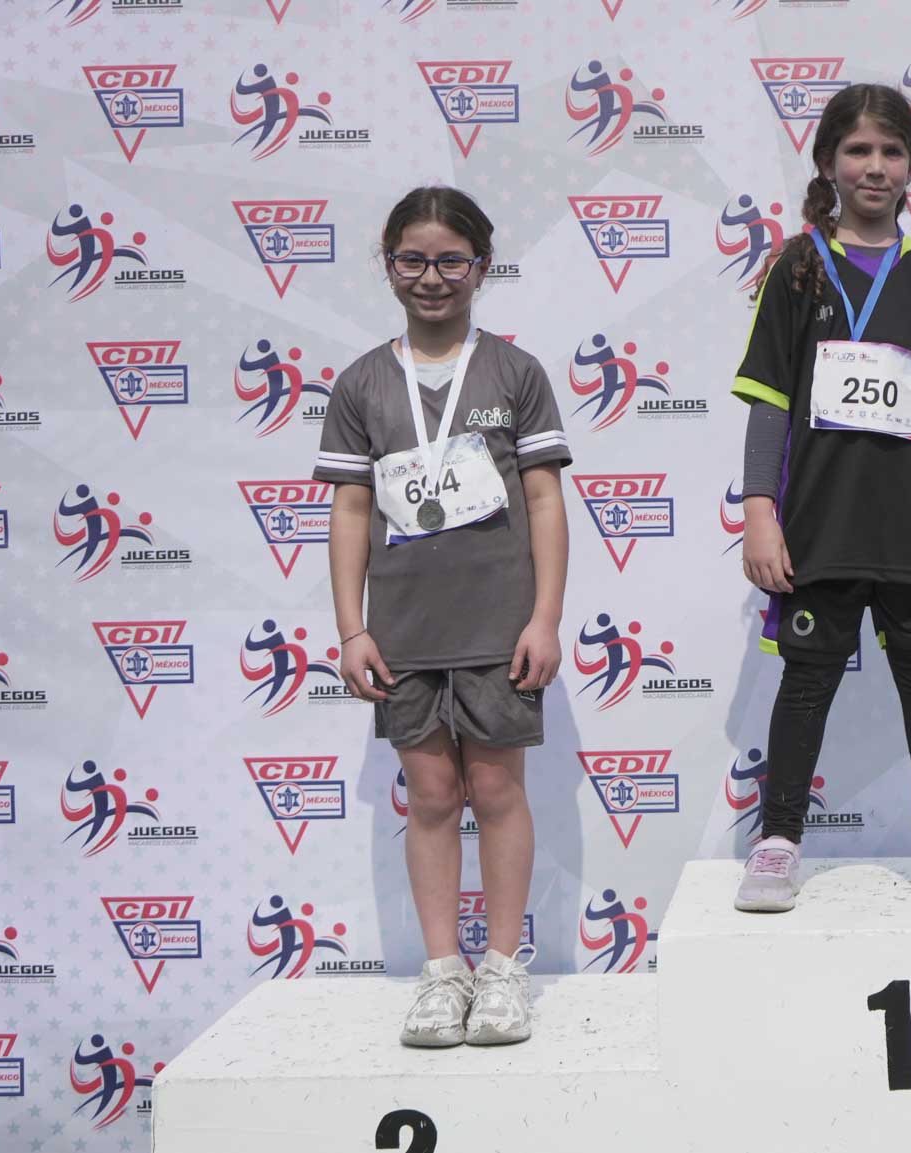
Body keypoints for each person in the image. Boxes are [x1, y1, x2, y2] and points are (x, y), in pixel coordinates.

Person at [729, 83, 911, 913]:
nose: (874, 166)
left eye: (890, 151)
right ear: (827, 162)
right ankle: (778, 840)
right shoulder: (796, 268)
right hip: (822, 520)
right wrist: (760, 513)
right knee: (807, 677)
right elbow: (768, 404)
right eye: (857, 150)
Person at [313, 186, 571, 1047]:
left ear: (482, 267)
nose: (432, 277)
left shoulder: (515, 373)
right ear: (388, 264)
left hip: (500, 625)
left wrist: (545, 617)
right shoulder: (361, 383)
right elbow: (352, 509)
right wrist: (352, 628)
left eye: (451, 260)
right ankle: (441, 970)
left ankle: (500, 968)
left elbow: (545, 500)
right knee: (430, 794)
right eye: (413, 260)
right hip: (405, 631)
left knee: (495, 789)